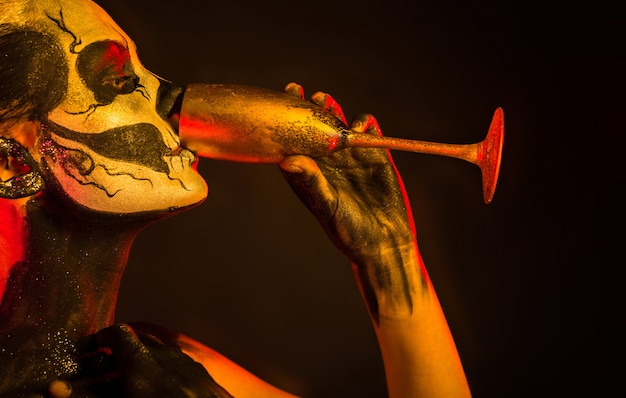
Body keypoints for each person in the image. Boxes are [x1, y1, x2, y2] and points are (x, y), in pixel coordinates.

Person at [0, 0, 471, 396]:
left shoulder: (165, 369)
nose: (174, 100)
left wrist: (391, 260)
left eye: (149, 71)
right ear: (13, 162)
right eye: (120, 80)